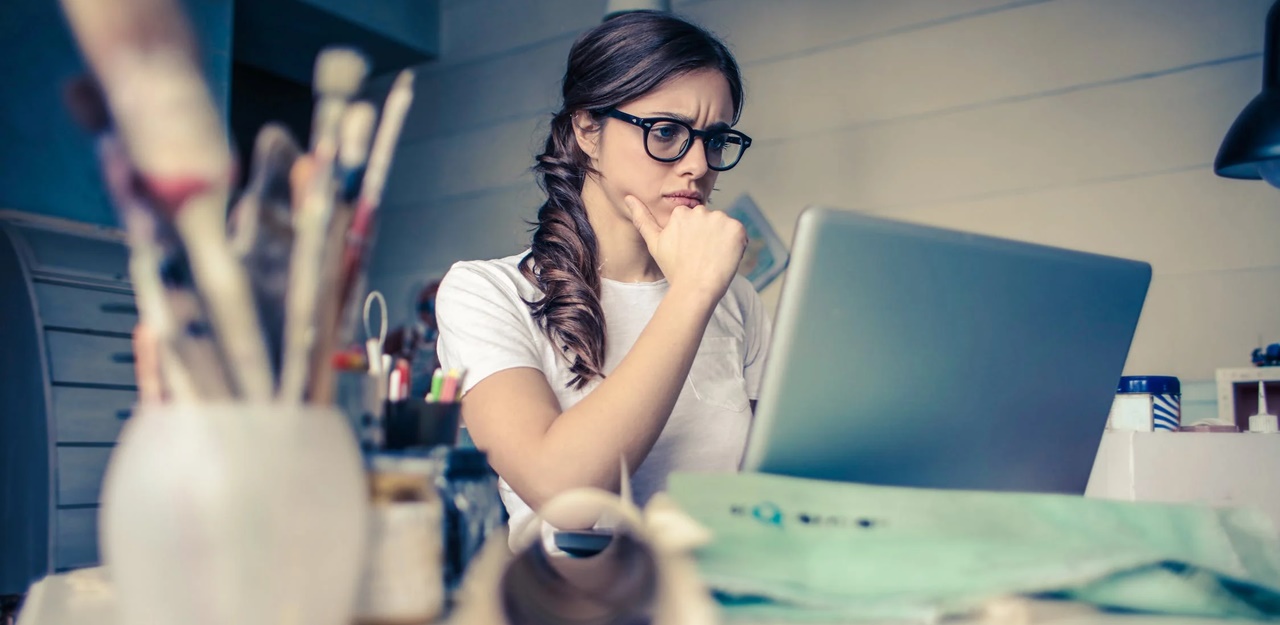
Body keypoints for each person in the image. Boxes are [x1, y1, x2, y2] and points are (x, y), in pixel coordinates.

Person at [434, 10, 770, 542]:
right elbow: (566, 499)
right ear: (587, 130)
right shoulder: (486, 293)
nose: (698, 166)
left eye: (715, 139)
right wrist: (692, 292)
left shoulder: (738, 301)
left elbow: (767, 497)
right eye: (665, 132)